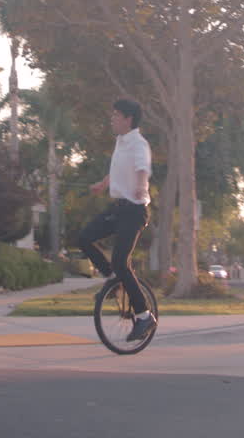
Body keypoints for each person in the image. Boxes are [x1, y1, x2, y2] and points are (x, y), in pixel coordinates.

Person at [79, 98, 155, 342]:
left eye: (115, 115)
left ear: (128, 119)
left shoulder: (139, 144)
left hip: (135, 211)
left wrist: (141, 188)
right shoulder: (121, 142)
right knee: (84, 238)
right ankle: (112, 279)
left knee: (122, 261)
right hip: (120, 208)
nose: (112, 119)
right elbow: (118, 169)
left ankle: (144, 316)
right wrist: (103, 184)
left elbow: (143, 168)